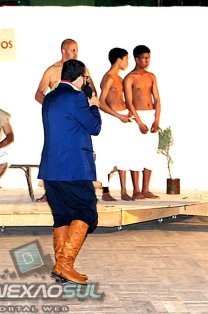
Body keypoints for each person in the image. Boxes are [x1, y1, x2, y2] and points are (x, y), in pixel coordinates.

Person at [39, 59, 101, 285]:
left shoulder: (50, 97)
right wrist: (94, 105)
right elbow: (94, 127)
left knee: (62, 215)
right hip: (73, 168)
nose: (86, 81)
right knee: (86, 212)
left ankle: (60, 267)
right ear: (79, 77)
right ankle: (65, 265)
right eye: (85, 77)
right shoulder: (76, 98)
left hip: (51, 167)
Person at [34, 38, 96, 202]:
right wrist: (54, 106)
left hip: (77, 117)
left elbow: (92, 91)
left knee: (77, 152)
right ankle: (51, 192)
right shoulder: (52, 70)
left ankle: (78, 191)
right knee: (54, 151)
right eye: (73, 50)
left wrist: (88, 106)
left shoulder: (83, 69)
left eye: (77, 50)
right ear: (63, 51)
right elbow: (39, 94)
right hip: (58, 119)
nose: (76, 53)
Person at [123, 45, 161, 199]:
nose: (147, 61)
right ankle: (136, 190)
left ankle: (146, 189)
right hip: (137, 117)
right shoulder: (130, 78)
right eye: (144, 58)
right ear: (137, 59)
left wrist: (156, 119)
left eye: (148, 58)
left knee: (150, 152)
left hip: (150, 115)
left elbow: (157, 99)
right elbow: (128, 102)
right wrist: (138, 122)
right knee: (136, 152)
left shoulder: (151, 76)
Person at [97, 47, 134, 201]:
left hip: (122, 117)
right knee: (108, 154)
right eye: (126, 59)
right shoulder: (109, 78)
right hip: (112, 119)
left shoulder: (120, 78)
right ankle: (105, 191)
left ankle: (124, 191)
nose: (127, 62)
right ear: (118, 60)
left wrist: (128, 111)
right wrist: (118, 116)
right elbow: (101, 102)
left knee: (124, 153)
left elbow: (120, 98)